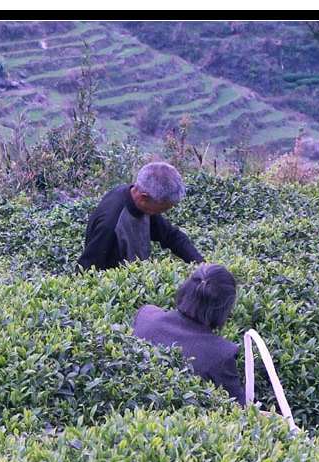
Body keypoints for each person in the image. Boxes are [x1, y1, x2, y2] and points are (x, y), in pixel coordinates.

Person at [133, 263, 245, 405]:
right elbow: (241, 408)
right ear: (224, 308)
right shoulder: (222, 353)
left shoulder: (146, 316)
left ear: (186, 289)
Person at [77, 162, 204, 271]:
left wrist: (202, 265)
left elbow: (171, 236)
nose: (165, 211)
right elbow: (86, 268)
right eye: (164, 207)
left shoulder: (142, 203)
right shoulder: (111, 223)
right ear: (144, 197)